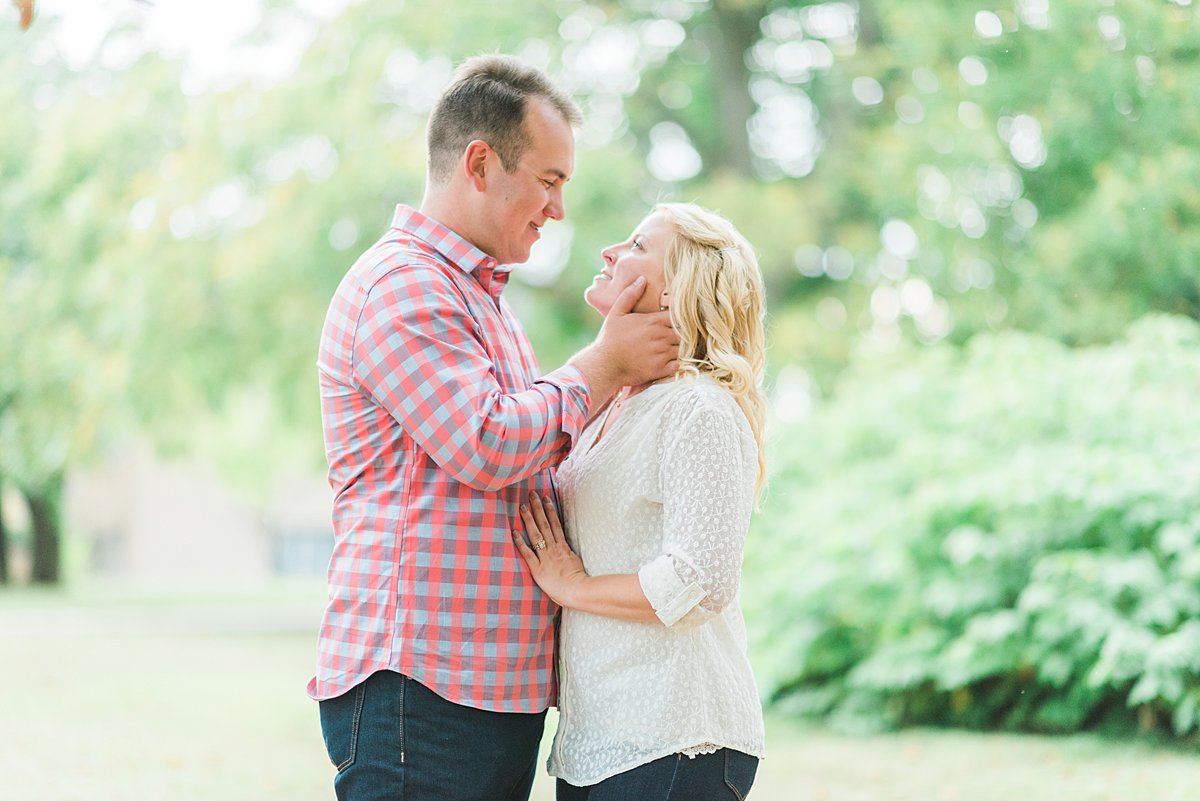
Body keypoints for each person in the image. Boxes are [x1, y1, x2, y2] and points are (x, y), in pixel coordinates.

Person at [311, 55, 679, 801]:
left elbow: (539, 456)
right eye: (548, 181)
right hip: (421, 686)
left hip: (483, 690)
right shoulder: (404, 285)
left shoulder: (485, 303)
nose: (559, 210)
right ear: (480, 163)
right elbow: (487, 442)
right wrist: (602, 365)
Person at [513, 202, 768, 801]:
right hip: (599, 744)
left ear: (682, 286)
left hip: (675, 737)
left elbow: (702, 580)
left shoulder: (697, 408)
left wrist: (572, 587)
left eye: (635, 245)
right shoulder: (618, 408)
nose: (609, 252)